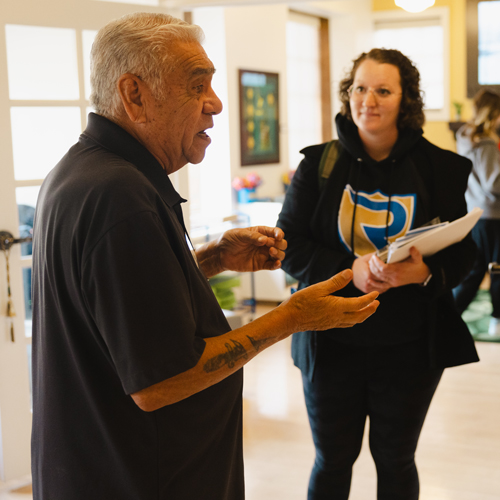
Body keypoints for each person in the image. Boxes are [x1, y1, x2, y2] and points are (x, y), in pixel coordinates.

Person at [30, 13, 380, 500]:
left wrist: (212, 259)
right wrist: (290, 318)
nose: (215, 104)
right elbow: (160, 381)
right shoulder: (120, 196)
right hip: (139, 477)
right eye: (198, 86)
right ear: (134, 95)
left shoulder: (80, 172)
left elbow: (118, 310)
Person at [277, 48, 479, 500]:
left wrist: (423, 273)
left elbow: (466, 252)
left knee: (395, 460)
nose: (368, 100)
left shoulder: (441, 168)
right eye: (359, 88)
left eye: (383, 90)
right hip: (330, 343)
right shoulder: (319, 165)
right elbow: (288, 246)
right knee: (331, 461)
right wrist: (349, 269)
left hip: (409, 348)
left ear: (405, 101)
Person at [453, 89, 500, 337]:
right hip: (493, 215)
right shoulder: (487, 142)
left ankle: (450, 313)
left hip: (476, 213)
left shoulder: (465, 137)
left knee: (475, 270)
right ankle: (497, 319)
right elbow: (494, 183)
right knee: (497, 270)